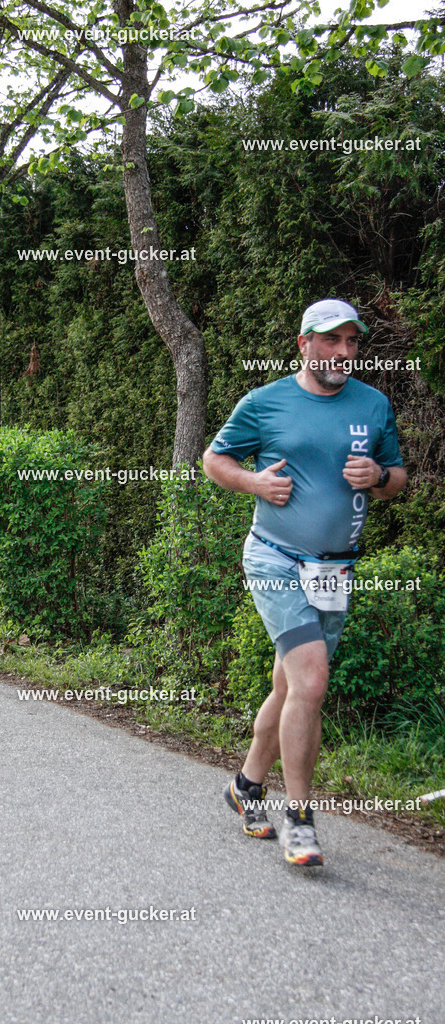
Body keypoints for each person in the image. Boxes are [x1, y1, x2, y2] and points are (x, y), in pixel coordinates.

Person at [202, 298, 407, 866]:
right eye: (331, 340)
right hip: (274, 557)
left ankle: (244, 787)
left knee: (292, 687)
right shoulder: (265, 403)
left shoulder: (373, 404)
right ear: (304, 344)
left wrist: (381, 476)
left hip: (335, 568)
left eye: (351, 342)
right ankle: (300, 819)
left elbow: (398, 478)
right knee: (312, 680)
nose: (343, 352)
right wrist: (254, 484)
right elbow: (214, 460)